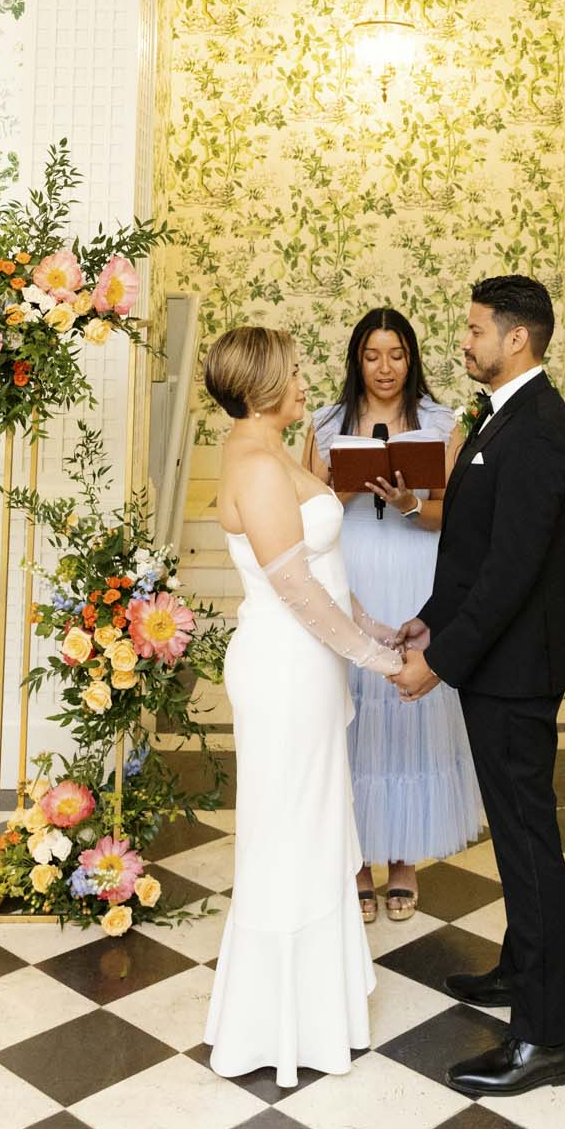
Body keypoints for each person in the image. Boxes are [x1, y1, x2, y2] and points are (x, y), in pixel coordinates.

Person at [394, 275, 565, 1099]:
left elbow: (510, 575)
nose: (462, 341)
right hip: (493, 666)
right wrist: (429, 621)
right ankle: (519, 970)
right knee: (515, 839)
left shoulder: (538, 428)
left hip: (513, 676)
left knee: (530, 848)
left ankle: (546, 1041)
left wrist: (440, 662)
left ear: (516, 338)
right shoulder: (501, 417)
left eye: (474, 330)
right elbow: (471, 554)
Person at [202, 324, 404, 1089]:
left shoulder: (275, 450)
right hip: (284, 667)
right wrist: (376, 657)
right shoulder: (254, 463)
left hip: (309, 664)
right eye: (291, 372)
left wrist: (377, 625)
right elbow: (292, 586)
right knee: (288, 834)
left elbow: (325, 566)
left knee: (315, 826)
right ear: (260, 385)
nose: (303, 380)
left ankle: (321, 1015)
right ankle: (276, 1028)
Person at [302, 308, 481, 923]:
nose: (385, 368)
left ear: (412, 358)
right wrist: (343, 492)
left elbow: (449, 516)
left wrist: (408, 503)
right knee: (349, 708)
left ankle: (403, 857)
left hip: (415, 571)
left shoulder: (439, 422)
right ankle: (355, 859)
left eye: (397, 354)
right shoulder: (326, 425)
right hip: (350, 574)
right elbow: (300, 517)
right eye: (373, 355)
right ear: (357, 358)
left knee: (410, 703)